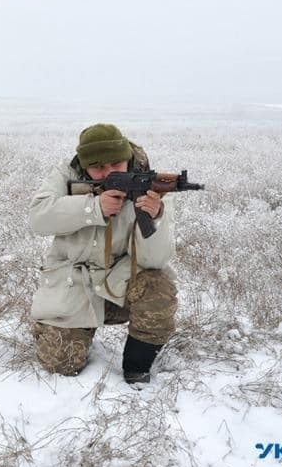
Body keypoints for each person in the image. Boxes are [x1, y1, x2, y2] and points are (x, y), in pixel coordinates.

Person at [29, 123, 178, 384]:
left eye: (116, 165)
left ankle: (137, 367)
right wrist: (93, 207)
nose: (108, 173)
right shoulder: (65, 174)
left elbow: (155, 261)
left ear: (128, 160)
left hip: (120, 284)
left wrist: (155, 217)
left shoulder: (150, 186)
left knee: (159, 287)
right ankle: (55, 324)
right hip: (74, 285)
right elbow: (38, 219)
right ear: (83, 166)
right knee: (61, 364)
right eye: (98, 167)